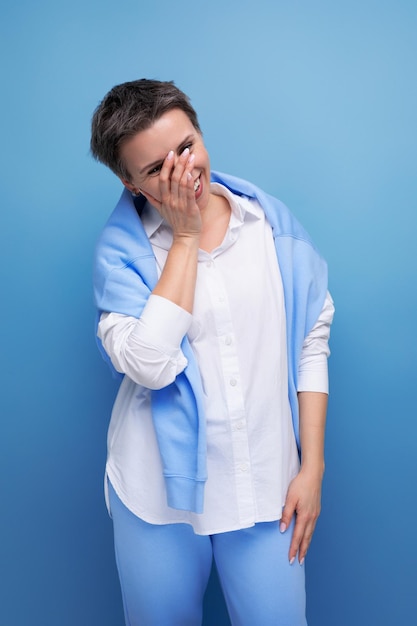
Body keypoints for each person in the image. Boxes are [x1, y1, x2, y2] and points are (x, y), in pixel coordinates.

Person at [90, 78, 334, 626]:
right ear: (129, 184)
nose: (182, 171)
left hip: (266, 488)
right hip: (158, 502)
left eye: (186, 147)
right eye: (156, 169)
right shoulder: (121, 257)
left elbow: (310, 342)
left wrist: (312, 465)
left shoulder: (269, 229)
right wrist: (183, 238)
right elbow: (150, 367)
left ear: (200, 133)